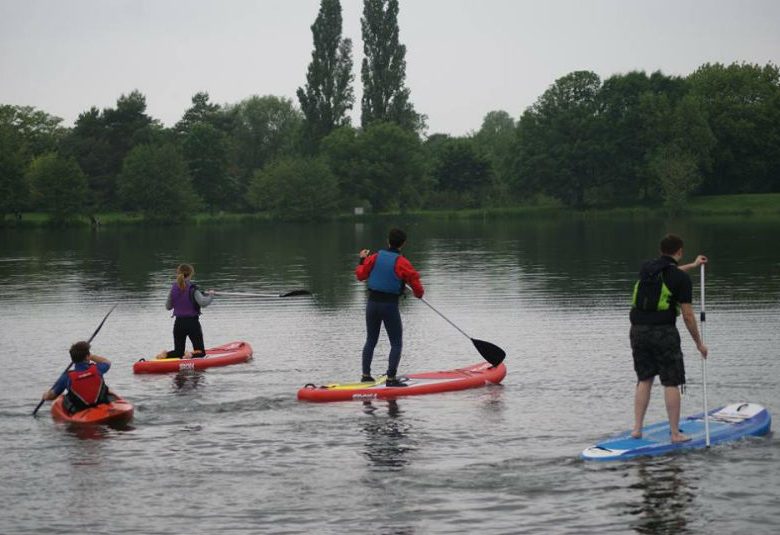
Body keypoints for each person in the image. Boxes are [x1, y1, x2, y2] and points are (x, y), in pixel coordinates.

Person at [629, 234, 708, 443]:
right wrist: (699, 344)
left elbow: (669, 274)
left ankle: (637, 429)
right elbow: (688, 316)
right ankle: (675, 434)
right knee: (671, 381)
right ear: (679, 251)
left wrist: (692, 265)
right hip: (663, 332)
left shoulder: (646, 269)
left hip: (637, 331)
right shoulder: (680, 279)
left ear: (660, 251)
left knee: (644, 378)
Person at [356, 228, 424, 387]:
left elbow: (360, 275)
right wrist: (419, 294)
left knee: (371, 340)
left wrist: (361, 260)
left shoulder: (374, 258)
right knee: (396, 342)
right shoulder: (402, 262)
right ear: (403, 244)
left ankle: (366, 376)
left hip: (372, 304)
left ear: (388, 241)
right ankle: (391, 379)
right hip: (389, 306)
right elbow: (416, 286)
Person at [155, 263, 214, 359]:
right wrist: (211, 295)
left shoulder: (173, 288)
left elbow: (168, 306)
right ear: (191, 274)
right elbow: (203, 303)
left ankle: (165, 354)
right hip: (192, 323)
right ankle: (190, 355)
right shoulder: (193, 289)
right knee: (201, 352)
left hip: (178, 324)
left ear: (178, 273)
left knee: (178, 352)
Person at [41, 341, 113, 413]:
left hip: (80, 409)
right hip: (100, 404)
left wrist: (45, 395)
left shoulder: (66, 376)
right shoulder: (98, 368)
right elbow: (107, 362)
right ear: (87, 356)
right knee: (108, 390)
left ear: (73, 359)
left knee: (64, 397)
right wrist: (92, 356)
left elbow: (52, 396)